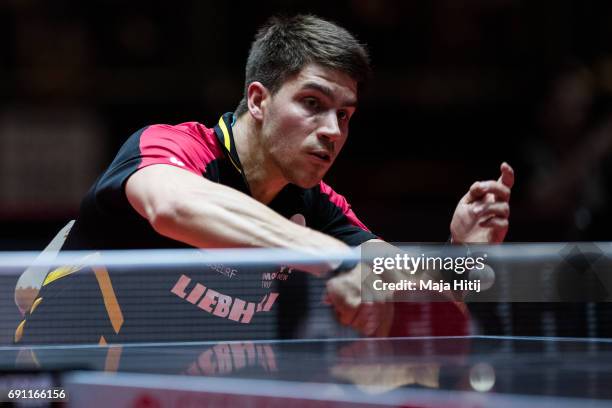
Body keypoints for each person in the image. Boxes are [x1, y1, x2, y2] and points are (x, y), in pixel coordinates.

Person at [17, 15, 513, 344]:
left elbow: (391, 274)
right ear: (258, 100)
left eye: (345, 115)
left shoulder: (316, 205)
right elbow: (174, 208)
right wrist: (336, 261)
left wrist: (463, 258)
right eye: (313, 104)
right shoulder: (174, 147)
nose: (331, 131)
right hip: (53, 384)